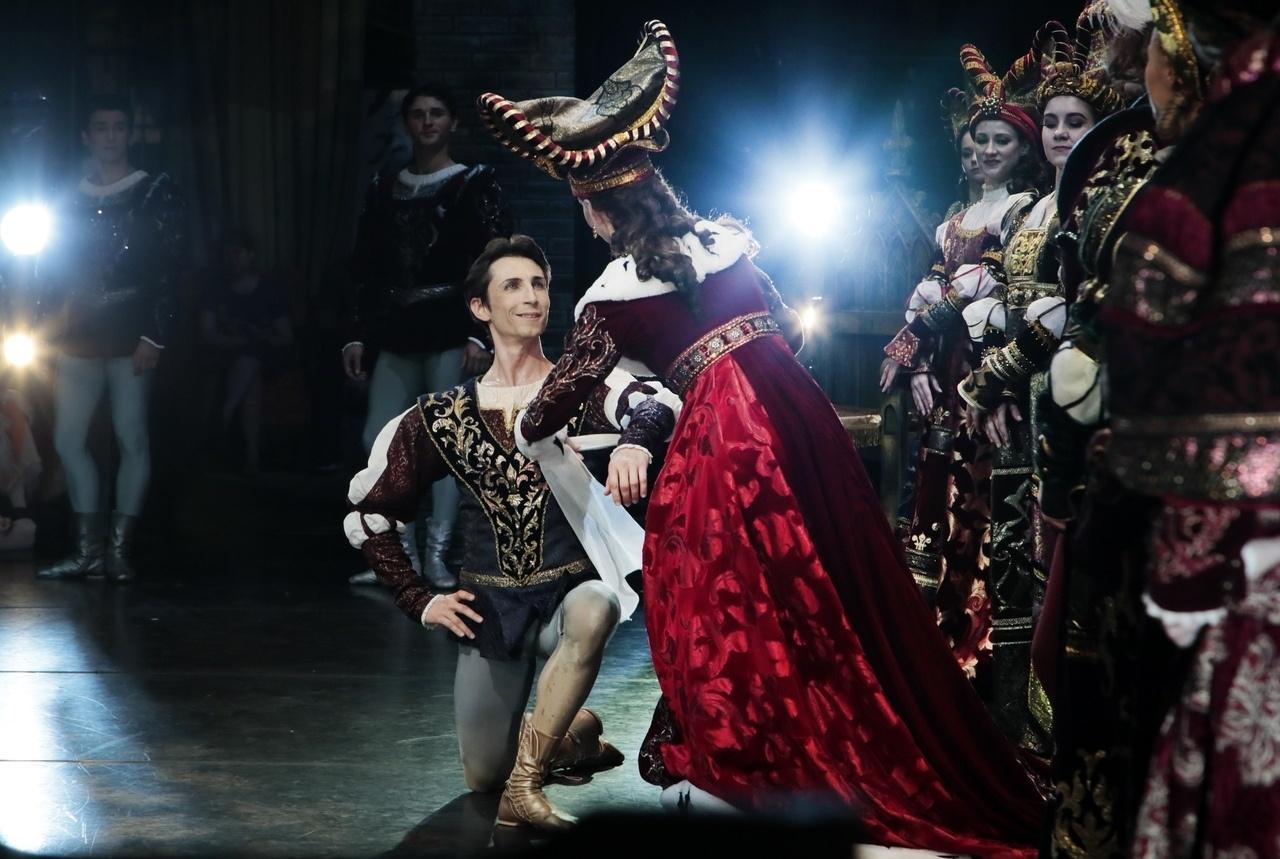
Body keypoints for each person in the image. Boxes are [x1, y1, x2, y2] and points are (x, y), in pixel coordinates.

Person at [479, 20, 1045, 856]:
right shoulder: (728, 242)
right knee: (833, 577)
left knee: (719, 595)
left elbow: (552, 404)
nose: (590, 224)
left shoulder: (613, 292)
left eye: (588, 211)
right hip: (796, 411)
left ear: (602, 206)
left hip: (727, 436)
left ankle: (766, 753)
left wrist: (537, 414)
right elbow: (785, 325)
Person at [346, 234, 680, 831]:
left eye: (539, 284)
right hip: (491, 610)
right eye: (513, 285)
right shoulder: (442, 415)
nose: (531, 297)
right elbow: (372, 514)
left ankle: (526, 785)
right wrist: (420, 599)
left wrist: (634, 444)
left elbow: (653, 405)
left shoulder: (578, 387)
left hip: (566, 597)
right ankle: (573, 732)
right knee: (482, 775)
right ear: (481, 307)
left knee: (598, 604)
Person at [1070, 1, 1279, 854]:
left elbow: (1168, 330)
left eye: (1154, 49)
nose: (1143, 67)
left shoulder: (1233, 153)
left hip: (1233, 545)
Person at [954, 15, 1122, 755]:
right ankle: (1012, 736)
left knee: (1058, 562)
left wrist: (993, 376)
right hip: (1015, 411)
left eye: (1073, 122)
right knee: (1011, 566)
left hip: (1066, 404)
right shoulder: (1028, 209)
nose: (1059, 133)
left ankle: (1058, 745)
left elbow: (1074, 311)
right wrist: (989, 375)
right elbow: (1000, 294)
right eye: (1051, 121)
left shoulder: (1097, 204)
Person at [880, 40, 1050, 682]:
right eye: (980, 139)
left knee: (978, 493)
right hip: (945, 366)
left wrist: (913, 333)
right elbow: (931, 283)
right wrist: (920, 362)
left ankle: (977, 646)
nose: (987, 149)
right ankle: (930, 639)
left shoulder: (1021, 210)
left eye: (1002, 140)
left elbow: (983, 286)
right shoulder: (954, 217)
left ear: (1023, 150)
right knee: (934, 485)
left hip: (984, 360)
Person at [344, 84, 514, 589]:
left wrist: (482, 335)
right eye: (418, 114)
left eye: (437, 113)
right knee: (379, 439)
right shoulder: (384, 186)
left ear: (452, 122)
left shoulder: (473, 184)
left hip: (449, 323)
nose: (427, 122)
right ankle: (400, 554)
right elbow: (365, 265)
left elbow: (495, 260)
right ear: (407, 123)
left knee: (447, 442)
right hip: (396, 326)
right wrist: (356, 334)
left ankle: (438, 555)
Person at [35, 93, 185, 582]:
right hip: (80, 329)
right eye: (101, 127)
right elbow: (52, 267)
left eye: (119, 127)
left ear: (130, 133)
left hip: (130, 327)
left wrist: (155, 335)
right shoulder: (68, 195)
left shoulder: (153, 190)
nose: (111, 136)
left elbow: (169, 267)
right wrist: (46, 326)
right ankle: (88, 550)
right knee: (68, 438)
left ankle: (118, 551)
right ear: (87, 135)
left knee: (130, 435)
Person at [197, 230, 293, 474]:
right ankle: (252, 458)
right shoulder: (215, 289)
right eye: (228, 254)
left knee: (252, 358)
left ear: (251, 255)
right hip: (225, 352)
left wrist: (258, 337)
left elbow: (285, 336)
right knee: (251, 383)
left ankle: (223, 418)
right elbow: (207, 333)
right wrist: (236, 341)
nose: (232, 259)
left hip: (262, 355)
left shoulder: (268, 289)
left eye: (237, 253)